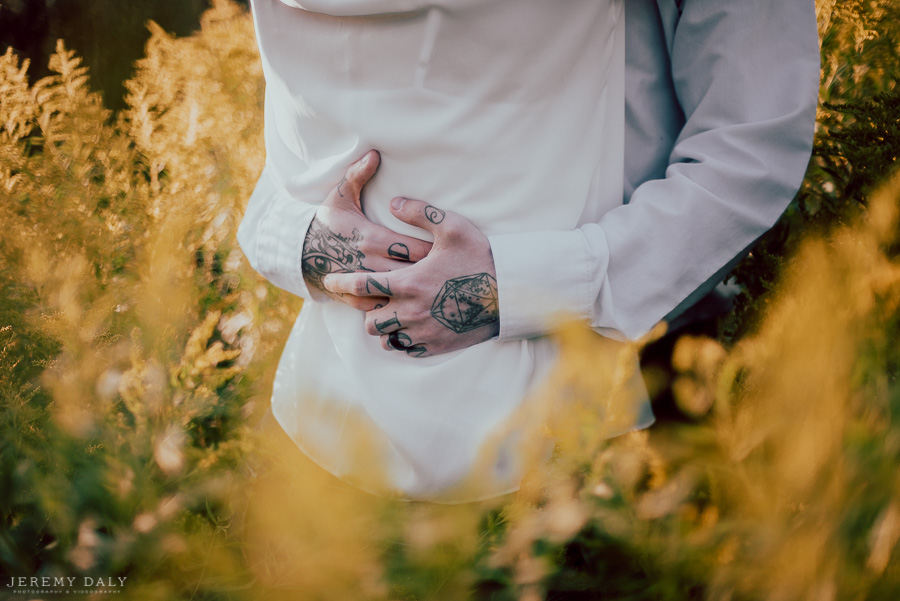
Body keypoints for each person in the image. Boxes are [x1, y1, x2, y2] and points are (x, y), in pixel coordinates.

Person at [238, 0, 820, 502]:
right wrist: (303, 242)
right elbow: (303, 126)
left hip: (610, 389)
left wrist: (522, 286)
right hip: (323, 435)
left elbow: (749, 141)